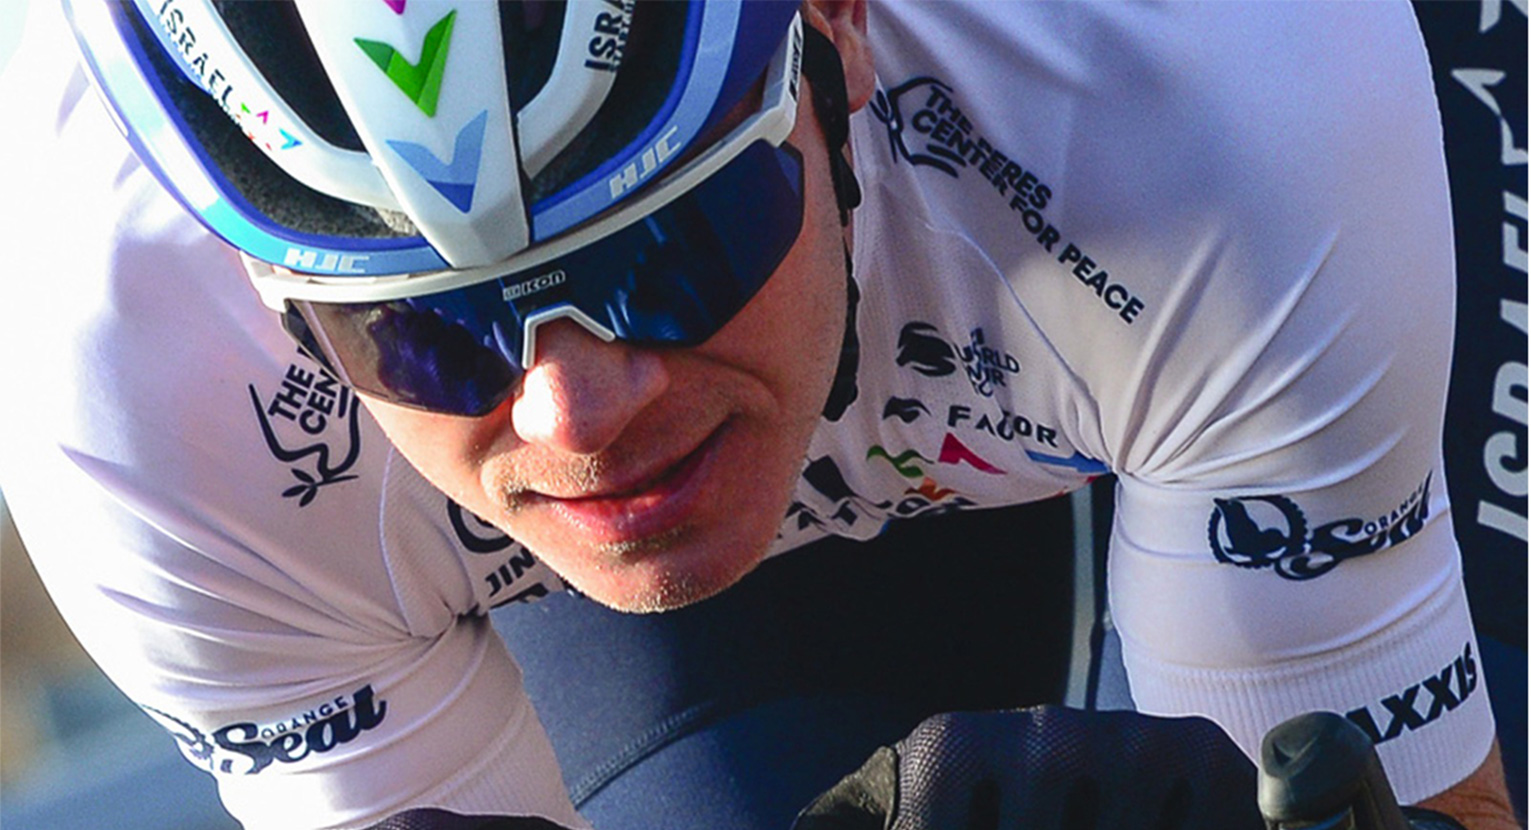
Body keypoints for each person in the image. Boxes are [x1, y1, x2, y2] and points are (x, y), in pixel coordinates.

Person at [0, 1, 1518, 829]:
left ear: (835, 35)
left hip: (1167, 228)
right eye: (426, 335)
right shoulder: (122, 386)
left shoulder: (1217, 80)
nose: (578, 418)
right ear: (267, 294)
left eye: (670, 246)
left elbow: (1412, 793)